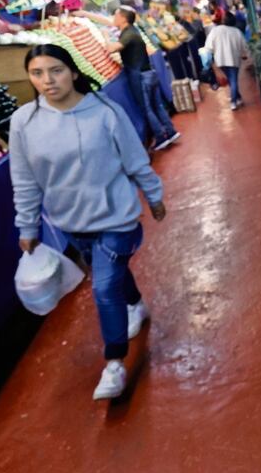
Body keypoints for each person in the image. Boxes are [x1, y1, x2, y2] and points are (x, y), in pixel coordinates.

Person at [11, 44, 166, 401]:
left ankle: (114, 363)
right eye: (37, 73)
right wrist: (28, 227)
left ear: (74, 72)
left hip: (117, 216)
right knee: (111, 278)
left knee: (103, 287)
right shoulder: (24, 122)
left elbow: (135, 158)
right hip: (70, 220)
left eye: (56, 71)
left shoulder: (105, 112)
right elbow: (24, 179)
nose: (47, 81)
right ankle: (136, 304)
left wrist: (154, 196)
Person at [75, 6, 180, 150]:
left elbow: (111, 48)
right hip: (150, 73)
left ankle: (161, 136)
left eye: (116, 15)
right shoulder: (131, 29)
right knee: (157, 105)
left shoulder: (128, 35)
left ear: (123, 18)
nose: (113, 18)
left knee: (147, 108)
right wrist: (84, 13)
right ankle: (171, 131)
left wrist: (105, 36)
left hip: (141, 77)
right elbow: (109, 22)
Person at [204, 13, 248, 111]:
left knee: (231, 80)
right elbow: (243, 45)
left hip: (220, 60)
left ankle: (238, 98)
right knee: (233, 80)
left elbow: (208, 46)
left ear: (224, 21)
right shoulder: (237, 31)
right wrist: (244, 54)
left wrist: (209, 59)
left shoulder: (215, 30)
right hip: (234, 60)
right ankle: (233, 102)